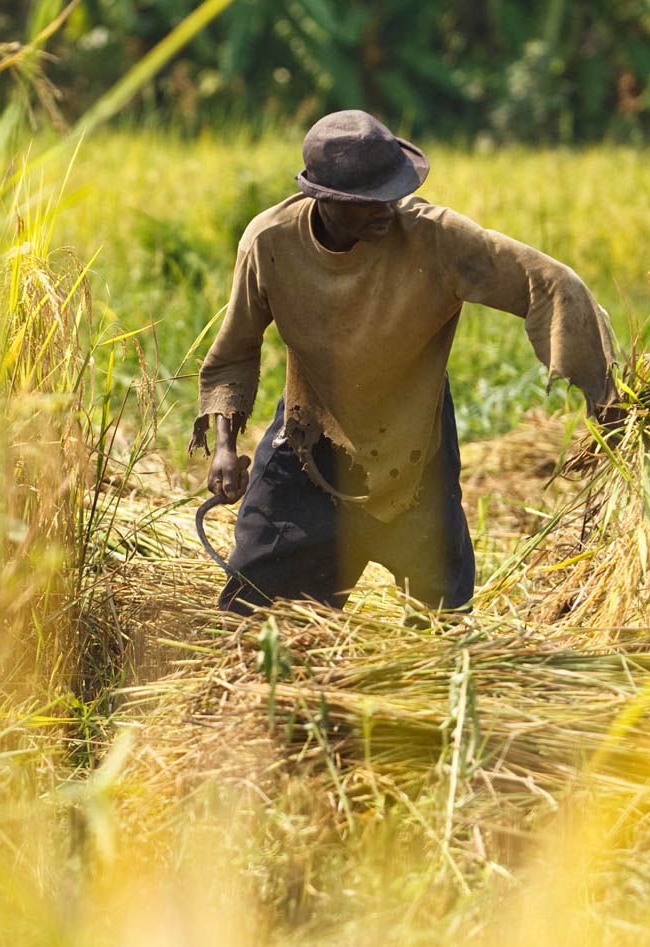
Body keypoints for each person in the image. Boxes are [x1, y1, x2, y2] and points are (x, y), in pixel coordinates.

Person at [189, 110, 618, 616]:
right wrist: (223, 445)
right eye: (368, 201)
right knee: (256, 611)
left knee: (442, 616)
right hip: (312, 436)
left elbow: (548, 281)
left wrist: (606, 395)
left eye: (393, 193)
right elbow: (234, 351)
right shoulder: (270, 243)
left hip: (418, 444)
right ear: (323, 199)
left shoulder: (436, 239)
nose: (386, 208)